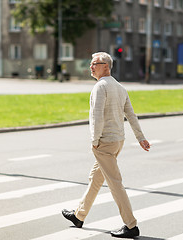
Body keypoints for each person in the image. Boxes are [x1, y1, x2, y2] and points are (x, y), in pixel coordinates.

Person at [62, 52, 150, 238]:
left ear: (106, 66)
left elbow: (97, 117)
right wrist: (140, 137)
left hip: (105, 142)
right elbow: (131, 115)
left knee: (115, 183)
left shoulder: (100, 87)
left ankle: (131, 225)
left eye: (95, 63)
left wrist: (94, 141)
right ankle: (79, 215)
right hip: (118, 141)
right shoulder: (119, 87)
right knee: (95, 178)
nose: (91, 67)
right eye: (91, 63)